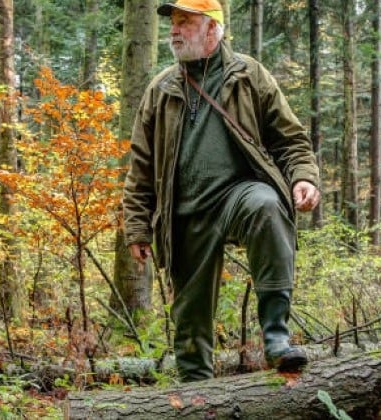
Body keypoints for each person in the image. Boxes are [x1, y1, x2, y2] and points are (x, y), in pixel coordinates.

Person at [122, 0, 321, 382]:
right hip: (183, 214)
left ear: (213, 29)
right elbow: (141, 165)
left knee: (266, 205)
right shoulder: (161, 88)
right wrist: (137, 226)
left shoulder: (248, 75)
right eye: (173, 23)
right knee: (190, 318)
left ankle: (276, 339)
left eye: (185, 22)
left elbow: (291, 139)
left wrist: (304, 177)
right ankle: (197, 393)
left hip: (237, 196)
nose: (174, 30)